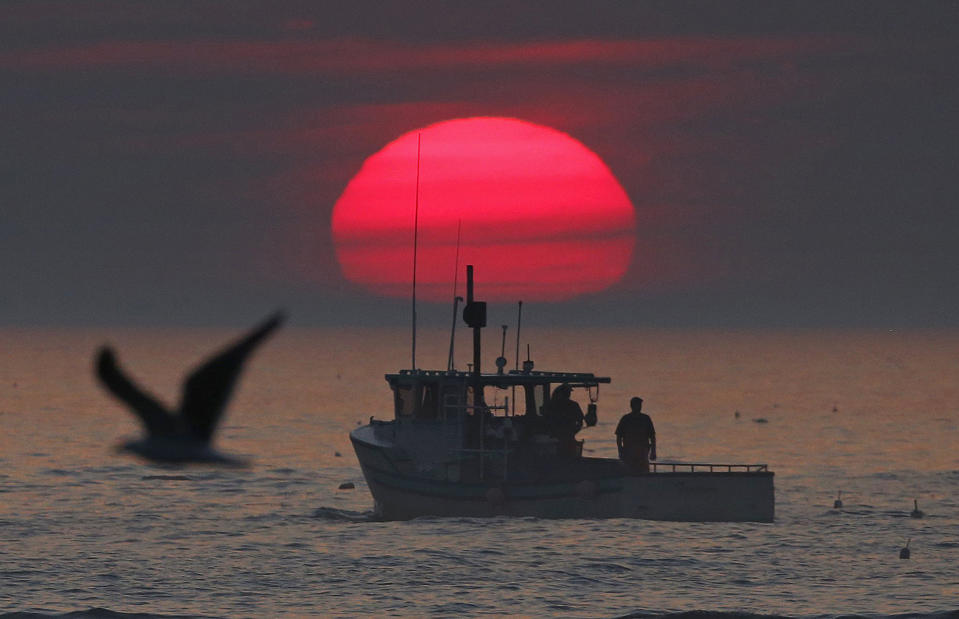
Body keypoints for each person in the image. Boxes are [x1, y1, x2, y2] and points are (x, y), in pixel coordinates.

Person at [615, 397, 656, 472]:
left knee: (644, 473)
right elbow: (618, 436)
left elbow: (652, 436)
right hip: (629, 452)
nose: (639, 407)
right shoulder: (626, 419)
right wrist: (620, 450)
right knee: (628, 472)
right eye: (637, 405)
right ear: (632, 406)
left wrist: (653, 451)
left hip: (642, 452)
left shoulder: (646, 418)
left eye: (640, 405)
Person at [545, 383, 585, 457]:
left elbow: (580, 421)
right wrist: (573, 431)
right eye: (567, 392)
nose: (569, 394)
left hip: (557, 438)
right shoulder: (573, 405)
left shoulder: (551, 404)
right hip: (563, 438)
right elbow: (580, 422)